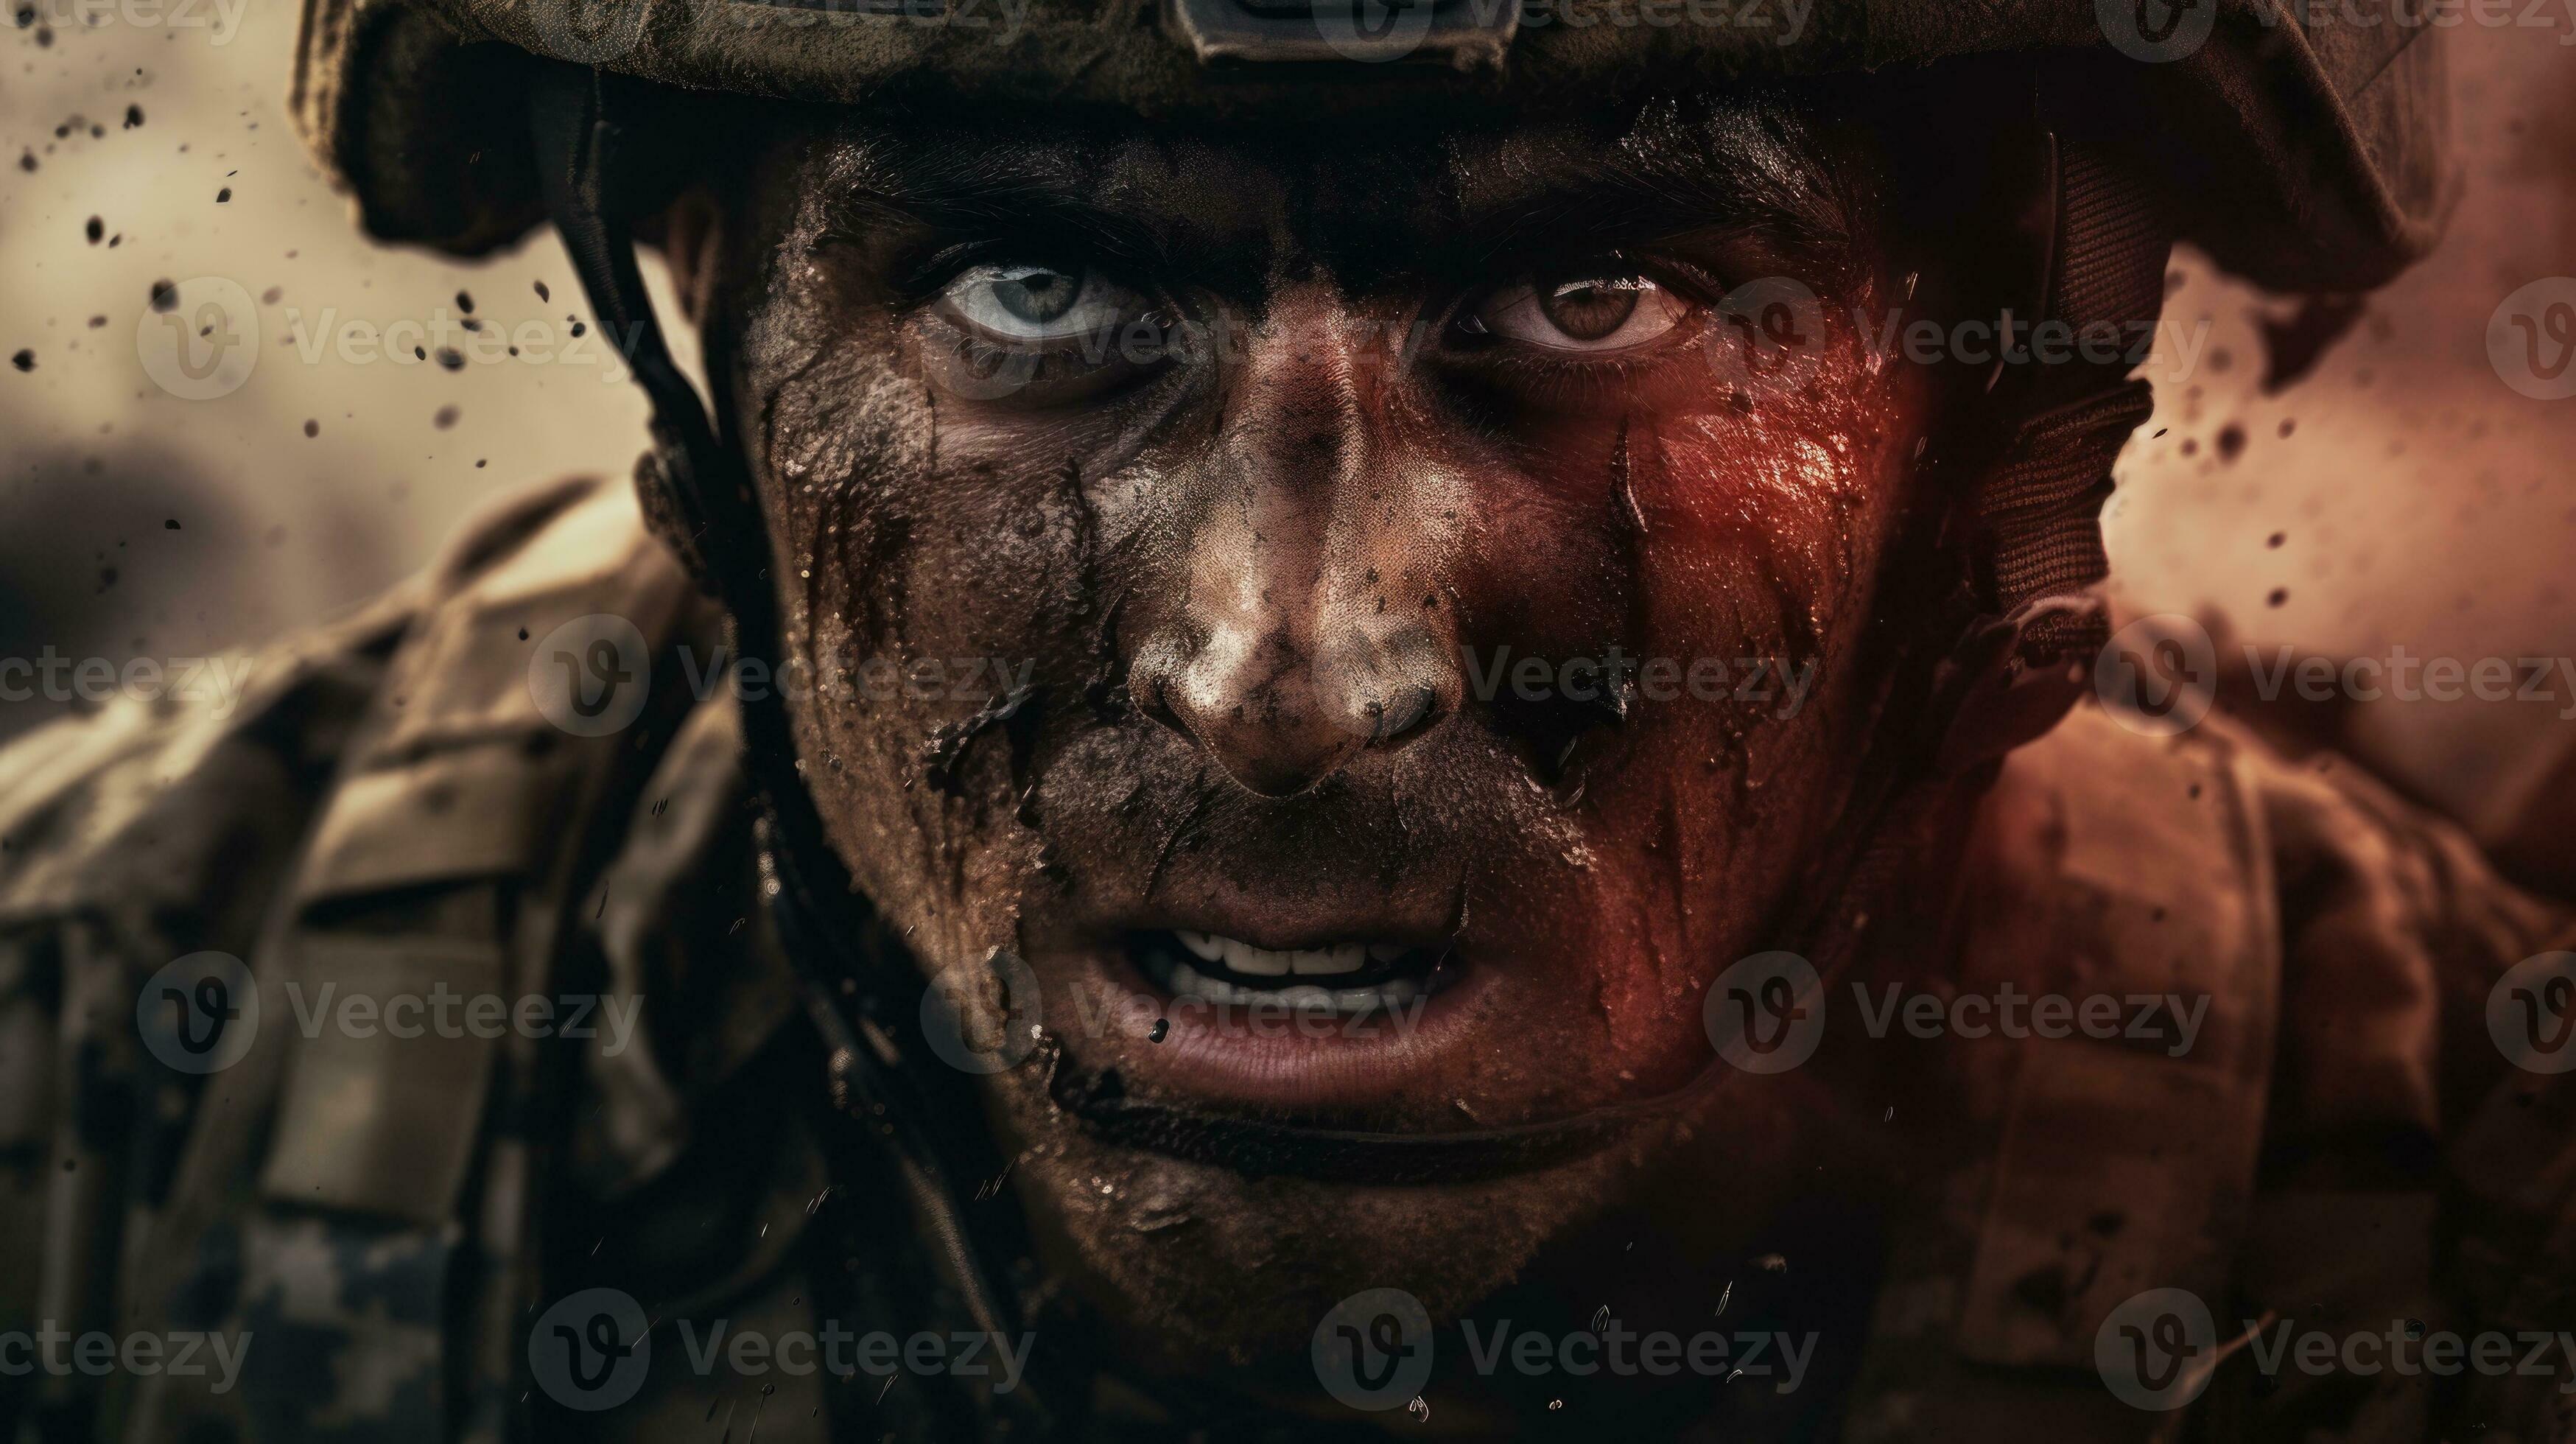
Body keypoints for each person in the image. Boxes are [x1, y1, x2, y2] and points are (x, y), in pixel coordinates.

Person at [1, 1, 2568, 1438]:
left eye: (1598, 301)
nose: (1289, 676)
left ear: (2009, 430)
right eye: (1025, 294)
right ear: (707, 351)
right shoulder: (95, 1063)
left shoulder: (2460, 1206)